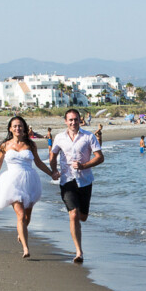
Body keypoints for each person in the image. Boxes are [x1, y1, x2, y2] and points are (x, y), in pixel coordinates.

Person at [0, 116, 58, 258]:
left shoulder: (30, 145)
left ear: (24, 128)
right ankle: (26, 249)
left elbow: (38, 162)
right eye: (15, 126)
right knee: (20, 214)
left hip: (29, 180)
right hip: (11, 182)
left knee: (27, 216)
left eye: (20, 126)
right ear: (10, 129)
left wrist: (51, 173)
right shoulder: (5, 145)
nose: (18, 128)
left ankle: (21, 232)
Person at [49, 109, 104, 263]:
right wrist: (53, 170)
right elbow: (53, 155)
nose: (73, 122)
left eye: (76, 119)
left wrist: (83, 165)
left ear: (80, 120)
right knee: (73, 214)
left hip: (85, 181)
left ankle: (77, 223)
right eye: (70, 120)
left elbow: (100, 157)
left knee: (83, 217)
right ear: (66, 121)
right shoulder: (59, 137)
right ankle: (79, 252)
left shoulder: (89, 136)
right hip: (67, 181)